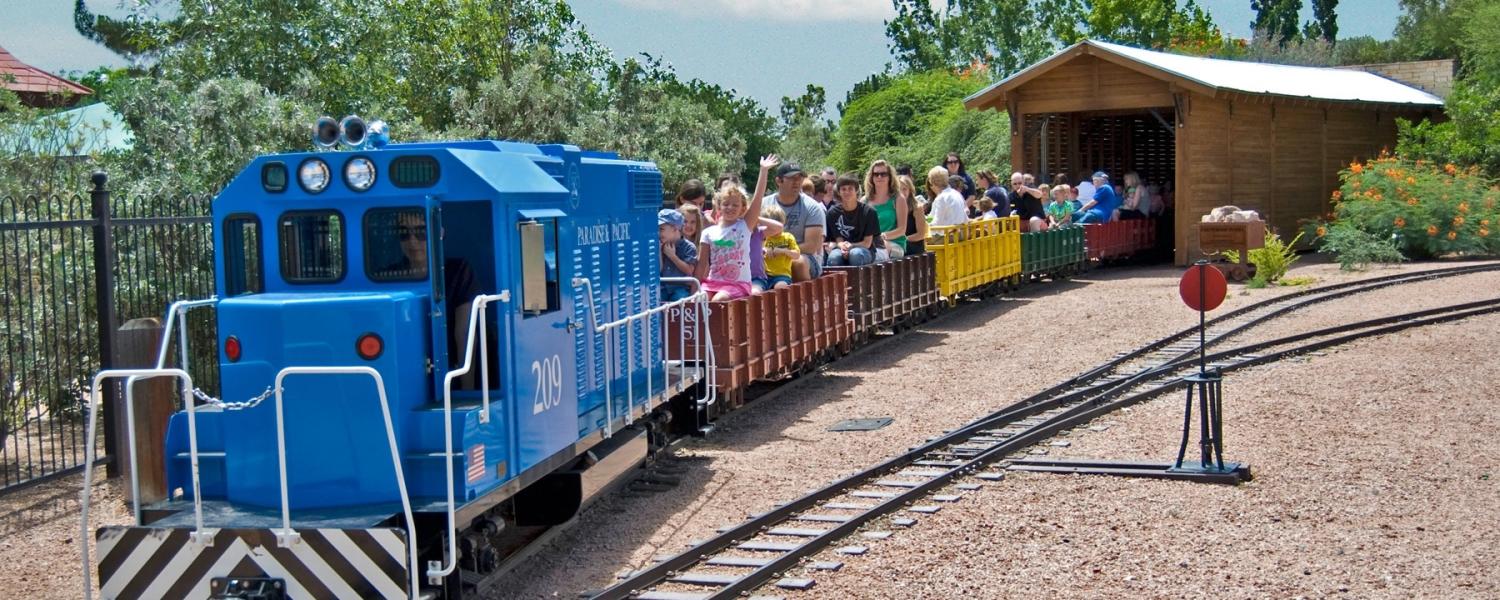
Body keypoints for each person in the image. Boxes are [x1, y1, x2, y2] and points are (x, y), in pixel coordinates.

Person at [697, 155, 777, 300]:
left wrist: (763, 171)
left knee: (718, 300)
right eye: (726, 204)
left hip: (737, 284)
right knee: (700, 299)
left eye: (735, 205)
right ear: (719, 206)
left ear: (742, 209)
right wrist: (693, 289)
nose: (730, 208)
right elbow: (702, 264)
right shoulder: (708, 232)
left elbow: (757, 199)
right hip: (713, 282)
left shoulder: (744, 226)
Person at [764, 161, 827, 281]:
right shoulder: (764, 204)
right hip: (769, 254)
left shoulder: (812, 207)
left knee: (797, 263)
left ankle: (805, 299)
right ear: (779, 181)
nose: (797, 182)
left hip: (805, 258)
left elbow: (811, 246)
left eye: (800, 178)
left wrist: (782, 252)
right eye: (792, 178)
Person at [825, 173, 886, 266]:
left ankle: (859, 280)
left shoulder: (869, 212)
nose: (847, 192)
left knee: (855, 255)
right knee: (834, 258)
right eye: (843, 189)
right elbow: (838, 239)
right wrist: (843, 247)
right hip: (842, 248)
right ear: (839, 191)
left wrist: (851, 246)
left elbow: (867, 243)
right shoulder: (833, 213)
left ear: (856, 190)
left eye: (850, 189)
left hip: (865, 250)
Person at [865, 160, 907, 260]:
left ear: (890, 177)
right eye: (876, 174)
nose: (879, 177)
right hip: (870, 243)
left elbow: (902, 230)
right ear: (872, 177)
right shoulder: (864, 201)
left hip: (894, 244)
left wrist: (882, 237)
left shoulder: (898, 199)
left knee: (879, 250)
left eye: (883, 174)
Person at [658, 209, 698, 302]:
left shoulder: (689, 247)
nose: (659, 233)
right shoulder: (659, 244)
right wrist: (659, 252)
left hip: (680, 288)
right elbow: (659, 269)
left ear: (675, 228)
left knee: (679, 299)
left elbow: (689, 271)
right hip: (662, 287)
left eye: (661, 229)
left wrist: (672, 256)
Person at [758, 204, 797, 290]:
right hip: (764, 275)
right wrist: (763, 250)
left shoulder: (788, 237)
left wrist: (783, 251)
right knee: (757, 289)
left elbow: (796, 255)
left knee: (780, 287)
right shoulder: (763, 237)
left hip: (782, 275)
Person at [897, 174, 929, 255]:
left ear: (910, 190)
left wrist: (902, 240)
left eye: (904, 189)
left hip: (913, 247)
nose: (901, 193)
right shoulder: (893, 208)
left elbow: (921, 234)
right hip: (898, 244)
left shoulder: (917, 207)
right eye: (898, 190)